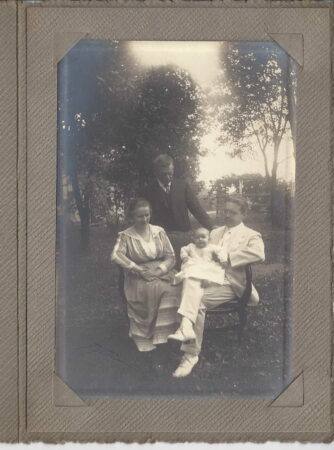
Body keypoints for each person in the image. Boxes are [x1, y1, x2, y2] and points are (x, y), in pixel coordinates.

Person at [172, 194, 265, 378]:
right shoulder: (214, 233)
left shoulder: (251, 235)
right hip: (209, 278)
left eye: (233, 213)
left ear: (243, 214)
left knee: (196, 301)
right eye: (225, 211)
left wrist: (227, 257)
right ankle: (186, 329)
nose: (227, 216)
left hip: (232, 283)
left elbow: (258, 253)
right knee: (185, 289)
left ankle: (190, 354)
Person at [111, 198, 180, 353]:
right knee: (157, 288)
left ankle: (171, 333)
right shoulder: (126, 236)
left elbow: (171, 256)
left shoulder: (159, 231)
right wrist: (139, 270)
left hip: (161, 271)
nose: (144, 219)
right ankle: (155, 334)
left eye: (147, 215)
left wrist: (160, 270)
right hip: (139, 276)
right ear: (132, 217)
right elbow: (116, 256)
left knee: (177, 287)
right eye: (140, 216)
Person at [141, 154, 213, 266]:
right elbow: (144, 215)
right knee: (166, 268)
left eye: (170, 173)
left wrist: (211, 227)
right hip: (161, 237)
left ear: (173, 169)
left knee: (185, 265)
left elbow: (196, 208)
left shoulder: (182, 186)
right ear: (156, 172)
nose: (168, 177)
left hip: (183, 234)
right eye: (164, 174)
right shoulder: (148, 190)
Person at [168, 227, 227, 342]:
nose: (200, 240)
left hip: (206, 269)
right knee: (190, 276)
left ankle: (185, 327)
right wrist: (185, 257)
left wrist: (223, 259)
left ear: (209, 239)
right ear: (193, 239)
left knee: (198, 277)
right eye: (197, 237)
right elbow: (183, 250)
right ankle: (186, 327)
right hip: (194, 267)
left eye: (203, 237)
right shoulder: (191, 247)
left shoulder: (211, 247)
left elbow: (221, 250)